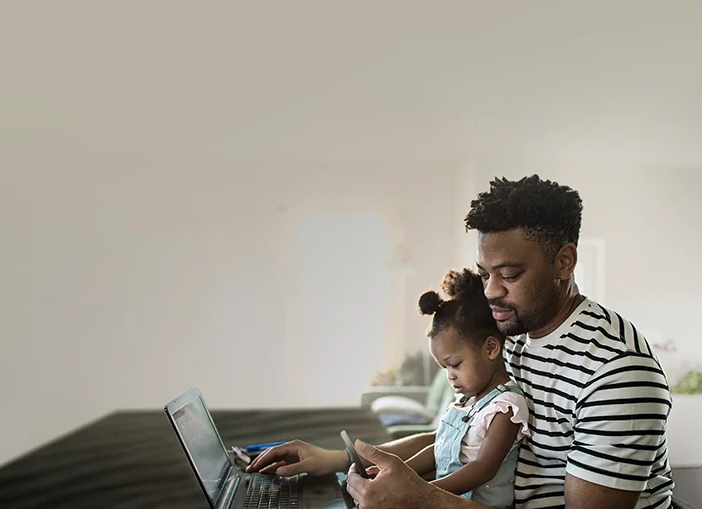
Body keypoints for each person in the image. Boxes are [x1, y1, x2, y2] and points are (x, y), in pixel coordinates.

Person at [248, 175, 674, 509]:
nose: (490, 292)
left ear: (564, 261)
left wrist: (421, 499)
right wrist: (341, 461)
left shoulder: (616, 371)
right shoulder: (514, 334)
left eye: (509, 275)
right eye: (485, 274)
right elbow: (462, 435)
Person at [404, 267, 530, 506]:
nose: (450, 376)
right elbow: (437, 450)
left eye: (455, 365)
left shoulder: (506, 407)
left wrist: (421, 492)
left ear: (491, 348)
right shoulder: (466, 401)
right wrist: (401, 474)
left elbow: (483, 469)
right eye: (444, 368)